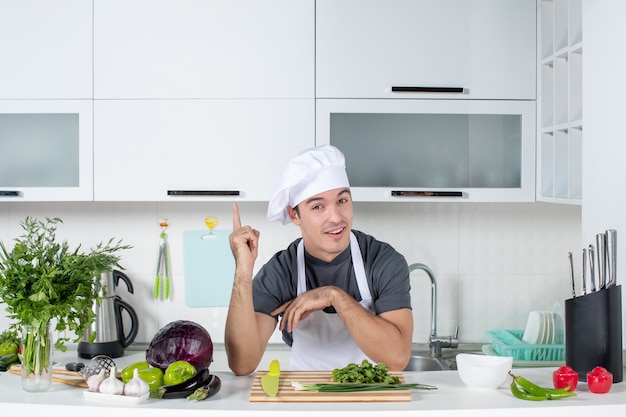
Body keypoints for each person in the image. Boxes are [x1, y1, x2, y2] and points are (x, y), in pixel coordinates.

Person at [225, 144, 413, 375]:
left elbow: (397, 358)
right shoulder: (283, 271)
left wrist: (333, 296)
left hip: (369, 401)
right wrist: (243, 271)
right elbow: (242, 364)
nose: (336, 217)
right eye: (318, 206)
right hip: (306, 402)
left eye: (342, 201)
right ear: (294, 215)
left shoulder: (383, 261)